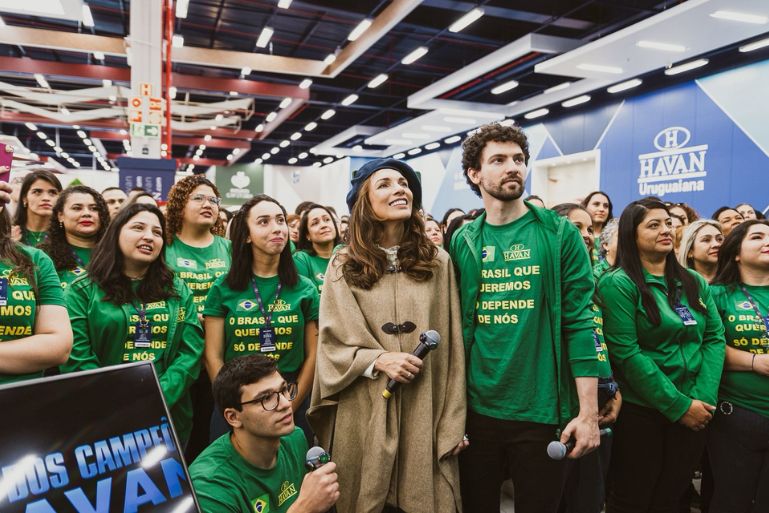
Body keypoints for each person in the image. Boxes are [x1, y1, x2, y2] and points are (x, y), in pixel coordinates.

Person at [449, 123, 599, 513]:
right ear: (475, 174)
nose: (512, 167)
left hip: (542, 410)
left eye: (518, 159)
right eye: (498, 160)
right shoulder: (464, 241)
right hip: (477, 411)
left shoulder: (559, 234)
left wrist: (588, 413)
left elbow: (579, 322)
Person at [309, 158, 467, 513]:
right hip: (363, 404)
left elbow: (453, 350)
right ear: (364, 201)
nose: (399, 188)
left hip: (424, 405)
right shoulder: (342, 263)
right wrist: (378, 359)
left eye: (404, 183)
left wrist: (454, 423)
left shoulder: (438, 261)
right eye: (385, 184)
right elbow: (332, 343)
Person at [597, 198, 725, 513]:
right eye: (653, 225)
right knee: (633, 499)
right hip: (644, 412)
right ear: (631, 234)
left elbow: (714, 337)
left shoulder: (693, 282)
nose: (666, 230)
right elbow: (627, 353)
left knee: (671, 499)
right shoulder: (618, 284)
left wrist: (702, 398)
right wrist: (678, 406)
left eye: (668, 222)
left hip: (696, 407)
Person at [60, 203, 204, 444]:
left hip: (168, 412)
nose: (149, 236)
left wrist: (159, 396)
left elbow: (191, 352)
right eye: (138, 227)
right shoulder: (82, 290)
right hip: (102, 414)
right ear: (116, 233)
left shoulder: (177, 288)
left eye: (157, 232)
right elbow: (76, 357)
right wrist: (116, 402)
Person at [203, 195, 319, 441]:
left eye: (280, 220)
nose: (277, 227)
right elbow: (212, 356)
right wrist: (238, 403)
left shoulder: (305, 288)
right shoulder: (223, 288)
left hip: (290, 398)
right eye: (264, 222)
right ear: (246, 235)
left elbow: (313, 355)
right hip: (238, 401)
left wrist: (288, 403)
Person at [190, 354, 339, 513]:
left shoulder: (295, 439)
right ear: (233, 417)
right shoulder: (209, 486)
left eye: (284, 390)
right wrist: (304, 508)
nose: (285, 403)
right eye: (266, 398)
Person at [551, 203, 621, 513]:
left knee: (590, 500)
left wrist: (615, 390)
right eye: (576, 227)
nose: (586, 235)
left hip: (600, 405)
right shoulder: (547, 284)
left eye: (588, 228)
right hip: (559, 407)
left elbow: (604, 344)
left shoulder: (595, 286)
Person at [707, 220, 769, 512]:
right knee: (733, 501)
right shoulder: (717, 294)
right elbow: (708, 347)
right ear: (735, 253)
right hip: (738, 414)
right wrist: (756, 362)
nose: (767, 241)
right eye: (757, 236)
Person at [0, 180, 72, 384]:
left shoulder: (34, 259)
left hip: (19, 401)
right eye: (38, 192)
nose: (45, 197)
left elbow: (58, 346)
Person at [164, 175, 230, 317]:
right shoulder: (163, 247)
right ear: (179, 204)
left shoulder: (231, 249)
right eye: (198, 198)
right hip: (178, 333)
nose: (207, 205)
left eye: (213, 200)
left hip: (220, 331)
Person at [38, 186, 110, 288]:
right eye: (77, 208)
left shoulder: (116, 253)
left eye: (94, 209)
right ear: (60, 216)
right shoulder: (42, 257)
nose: (87, 213)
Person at [294, 203, 340, 294]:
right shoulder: (301, 259)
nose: (323, 225)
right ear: (307, 235)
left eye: (327, 220)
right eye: (315, 223)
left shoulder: (347, 253)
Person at [13, 170, 62, 246]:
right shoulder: (9, 232)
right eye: (37, 192)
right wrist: (8, 247)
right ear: (24, 198)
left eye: (52, 193)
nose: (46, 198)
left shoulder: (67, 236)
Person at [582, 191, 613, 264]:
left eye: (606, 206)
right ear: (585, 206)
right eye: (596, 204)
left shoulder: (615, 237)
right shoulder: (578, 235)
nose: (602, 209)